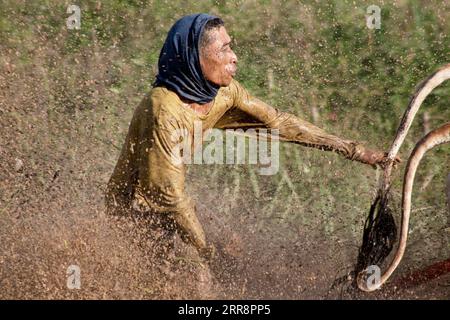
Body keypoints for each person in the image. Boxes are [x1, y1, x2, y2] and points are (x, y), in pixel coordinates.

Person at [105, 13, 400, 261]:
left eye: (230, 47)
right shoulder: (163, 110)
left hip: (173, 203)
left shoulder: (221, 92)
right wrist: (207, 253)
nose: (233, 58)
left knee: (226, 252)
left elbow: (278, 122)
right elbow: (169, 198)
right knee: (193, 273)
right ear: (195, 57)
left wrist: (353, 150)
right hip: (135, 213)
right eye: (223, 50)